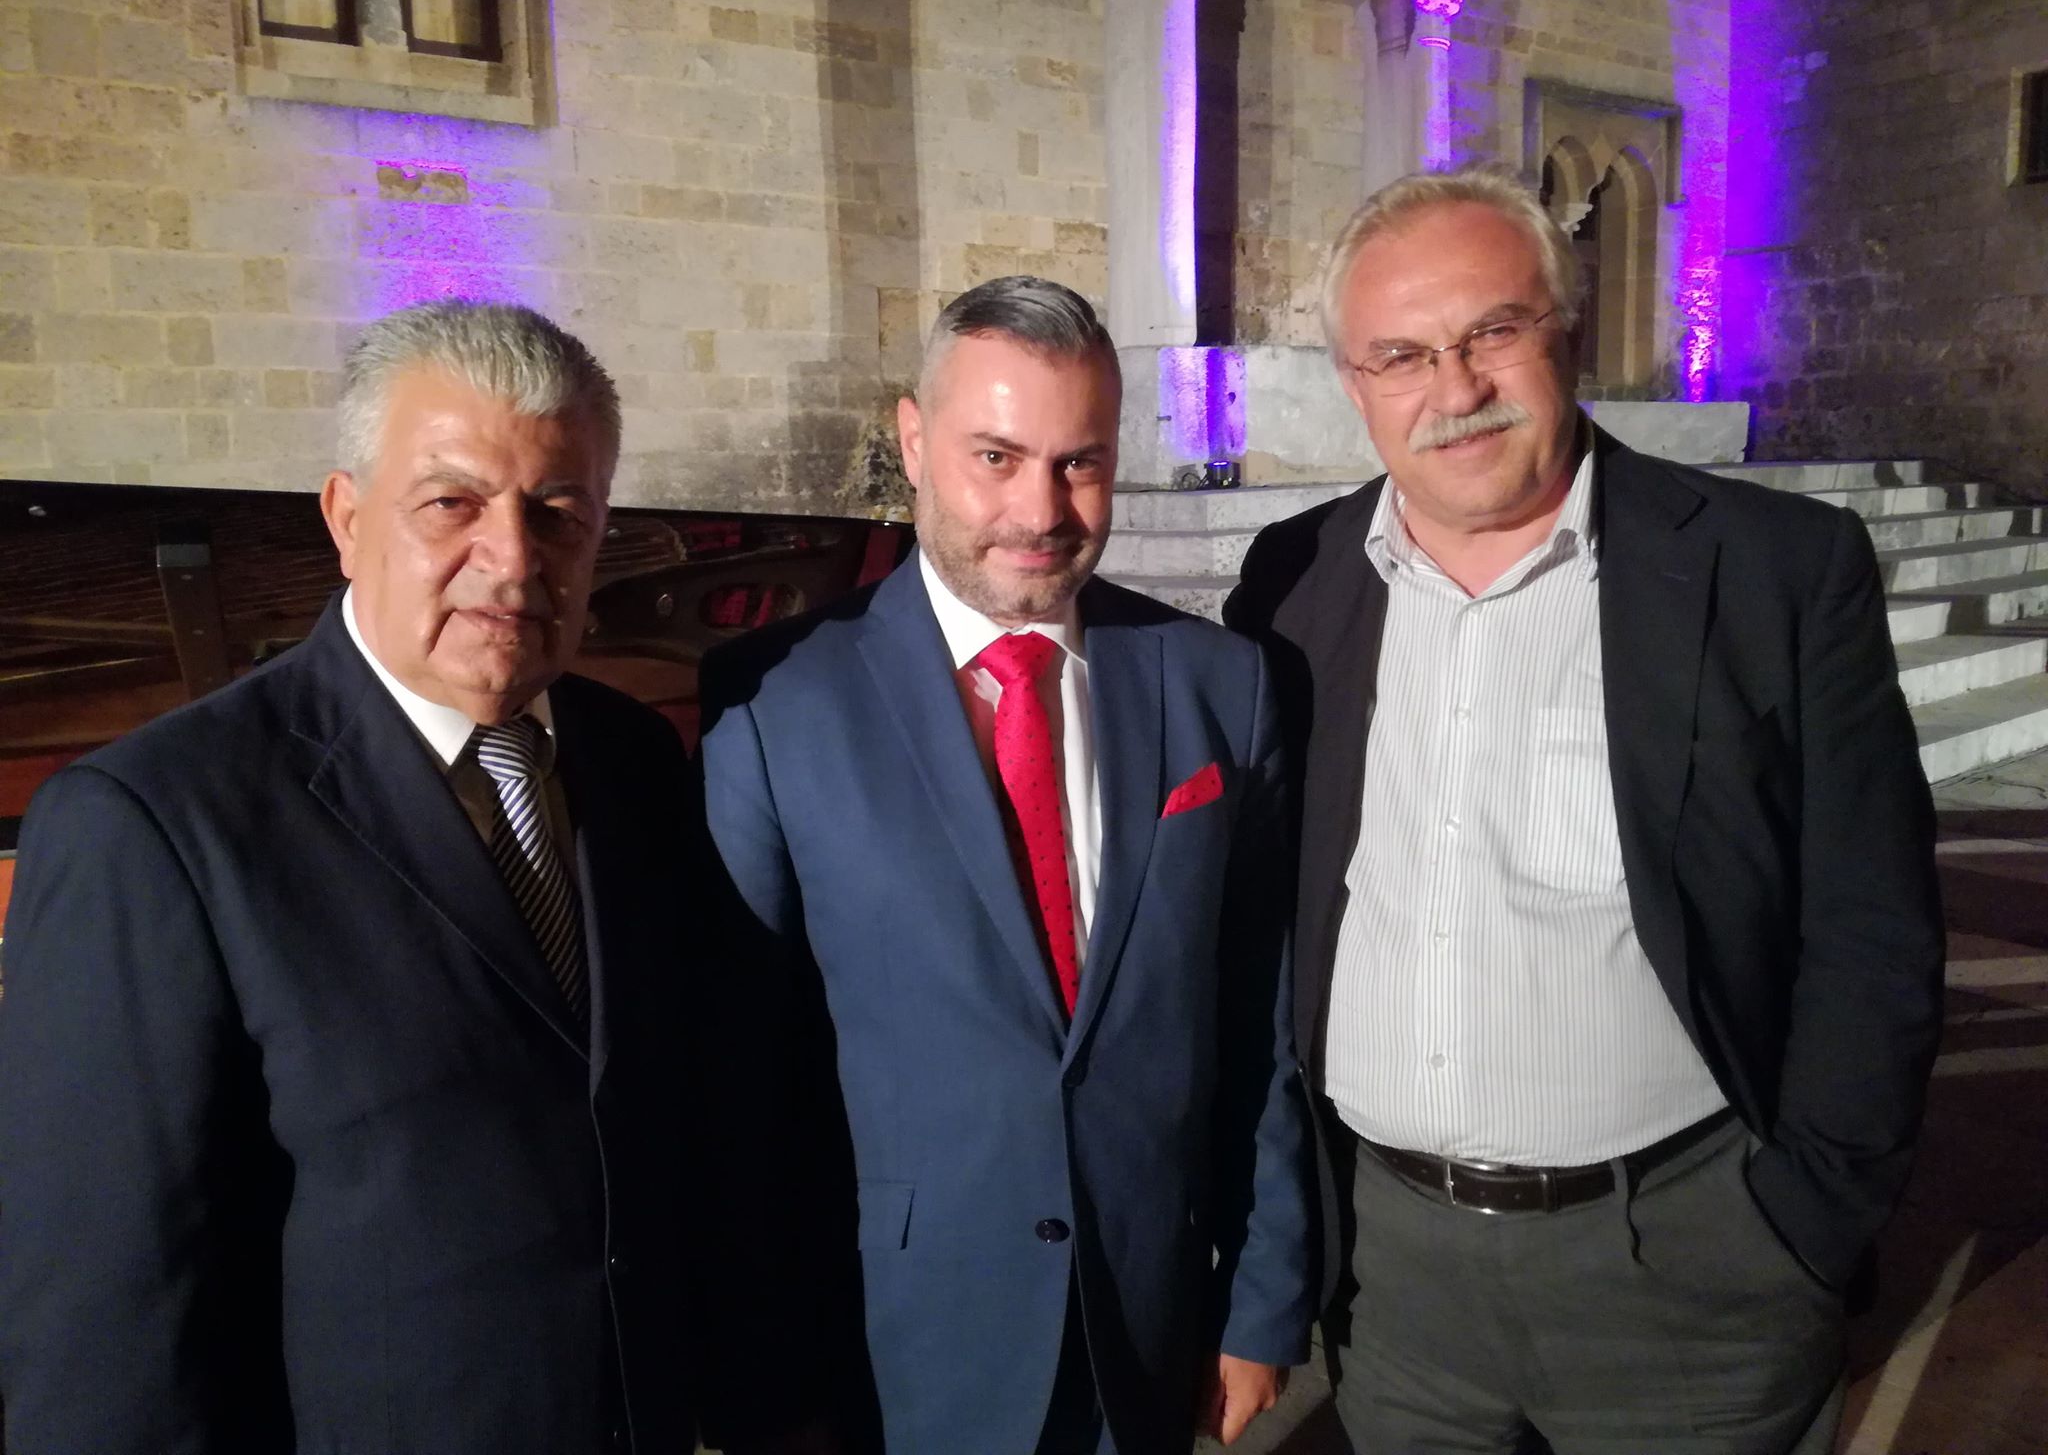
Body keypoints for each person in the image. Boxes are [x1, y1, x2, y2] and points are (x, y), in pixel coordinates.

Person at [1224, 165, 1946, 1454]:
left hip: (1691, 1276)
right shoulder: (1292, 580)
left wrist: (1801, 1220)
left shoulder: (1772, 571)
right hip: (1391, 1281)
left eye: (1490, 332)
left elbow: (1871, 927)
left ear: (1564, 333)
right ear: (1353, 382)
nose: (1453, 390)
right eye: (1400, 356)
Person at [0, 301, 758, 1454]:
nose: (513, 561)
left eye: (557, 512)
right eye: (452, 503)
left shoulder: (635, 761)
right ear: (347, 520)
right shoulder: (153, 825)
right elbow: (108, 1327)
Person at [697, 276, 1316, 1454]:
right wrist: (761, 1378)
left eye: (1080, 463)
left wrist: (1261, 1297)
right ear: (912, 442)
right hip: (895, 1342)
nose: (1040, 510)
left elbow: (1258, 1018)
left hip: (1145, 1321)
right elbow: (743, 1080)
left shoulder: (1217, 687)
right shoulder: (774, 702)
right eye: (996, 457)